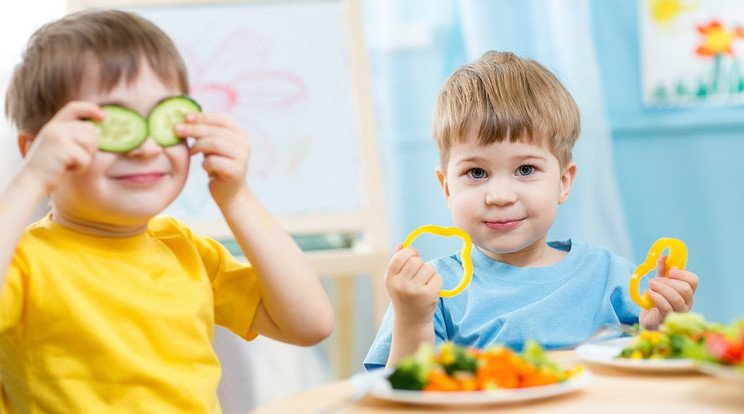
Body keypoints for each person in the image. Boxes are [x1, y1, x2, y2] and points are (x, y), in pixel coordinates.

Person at [0, 9, 334, 412]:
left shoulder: (184, 249)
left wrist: (237, 197)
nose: (145, 148)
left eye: (163, 118)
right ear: (36, 148)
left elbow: (310, 324)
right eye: (111, 125)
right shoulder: (23, 262)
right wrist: (30, 177)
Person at [364, 51, 698, 370]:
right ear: (447, 188)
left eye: (525, 169)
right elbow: (398, 397)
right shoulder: (429, 294)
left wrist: (662, 329)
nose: (499, 196)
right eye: (476, 173)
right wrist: (412, 320)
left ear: (563, 183)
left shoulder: (612, 277)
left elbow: (663, 378)